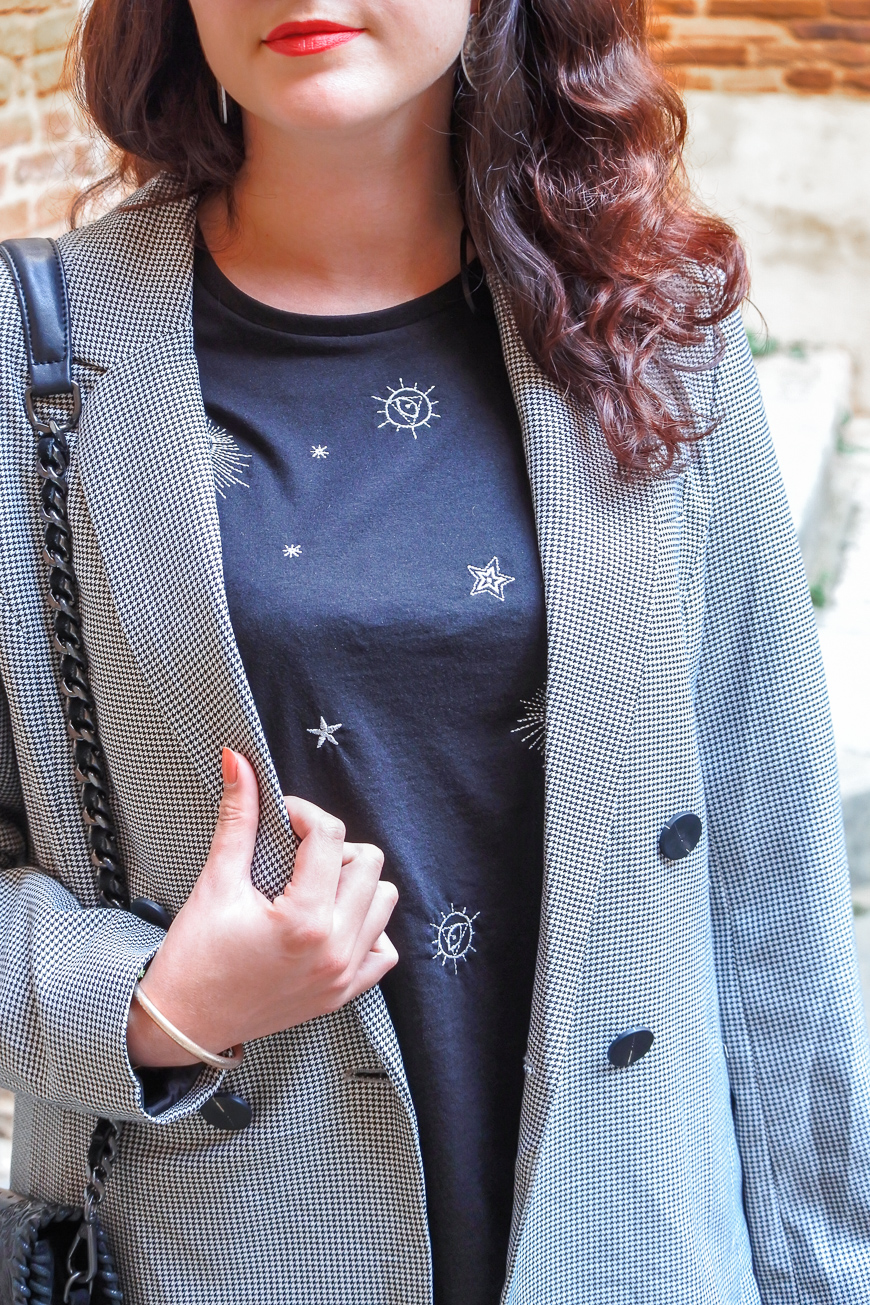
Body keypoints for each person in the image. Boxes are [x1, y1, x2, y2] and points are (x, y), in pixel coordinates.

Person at [0, 0, 868, 1301]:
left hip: (626, 1240)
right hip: (220, 1247)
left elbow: (768, 872)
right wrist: (148, 1001)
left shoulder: (661, 324)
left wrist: (826, 1274)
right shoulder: (36, 356)